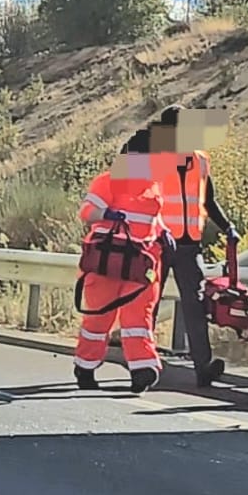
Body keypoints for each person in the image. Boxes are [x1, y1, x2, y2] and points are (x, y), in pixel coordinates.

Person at [146, 105, 240, 389]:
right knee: (148, 305)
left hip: (189, 245)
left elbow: (208, 200)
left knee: (196, 306)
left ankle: (203, 367)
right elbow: (135, 196)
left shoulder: (200, 160)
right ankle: (144, 365)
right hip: (157, 243)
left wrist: (227, 227)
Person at [74, 129, 170, 394]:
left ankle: (143, 369)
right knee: (99, 319)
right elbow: (87, 213)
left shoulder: (153, 186)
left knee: (138, 318)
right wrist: (108, 213)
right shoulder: (108, 181)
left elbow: (152, 219)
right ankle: (85, 366)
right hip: (108, 260)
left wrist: (163, 232)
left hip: (140, 264)